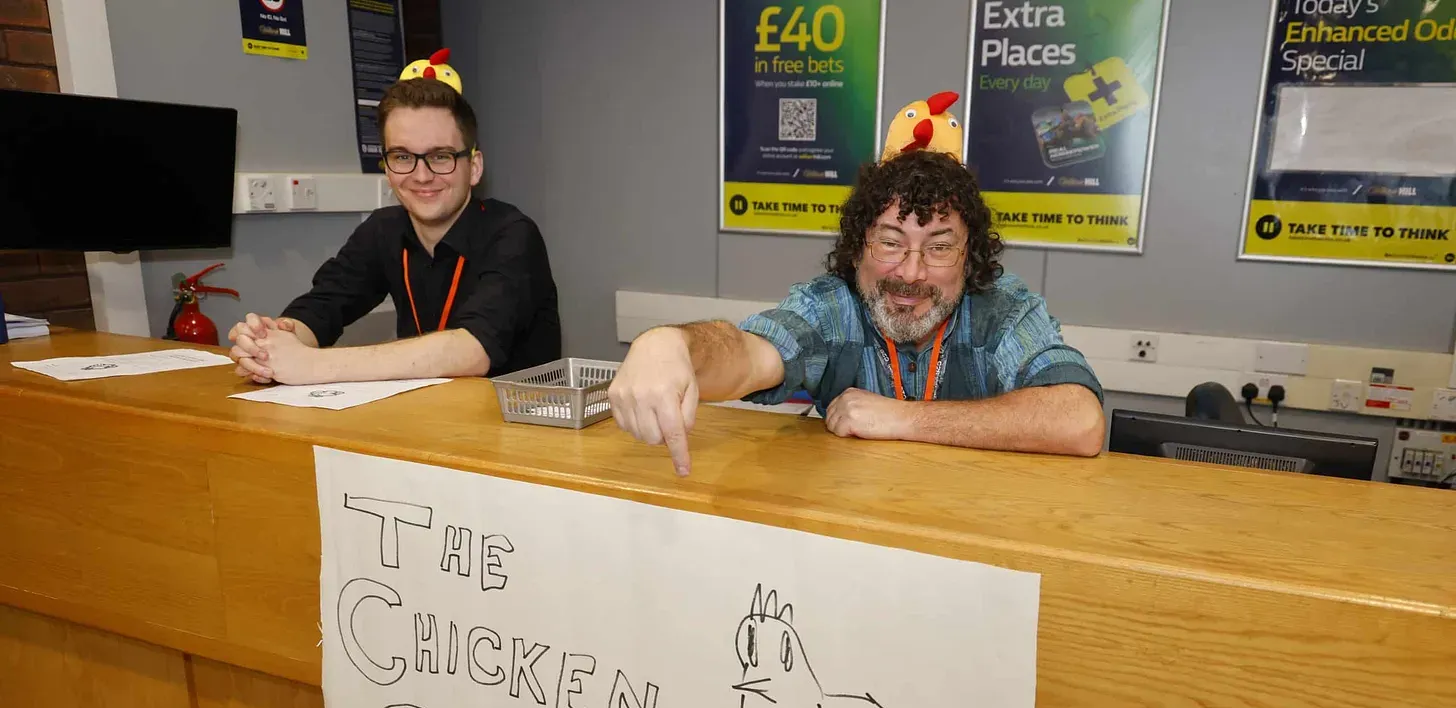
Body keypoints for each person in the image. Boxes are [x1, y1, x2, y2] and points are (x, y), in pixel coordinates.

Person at [608, 149, 1105, 476]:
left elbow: (1080, 422)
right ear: (857, 248)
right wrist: (671, 344)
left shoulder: (1003, 310)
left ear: (970, 258)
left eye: (938, 247)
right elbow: (748, 355)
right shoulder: (832, 306)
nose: (910, 272)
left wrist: (907, 420)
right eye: (890, 242)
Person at [228, 78, 560, 385]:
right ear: (387, 168)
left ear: (473, 168)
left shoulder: (513, 235)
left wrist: (311, 365)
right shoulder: (382, 230)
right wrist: (271, 345)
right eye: (403, 156)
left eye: (440, 156)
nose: (421, 175)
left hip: (514, 433)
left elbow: (472, 349)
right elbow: (321, 309)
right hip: (421, 425)